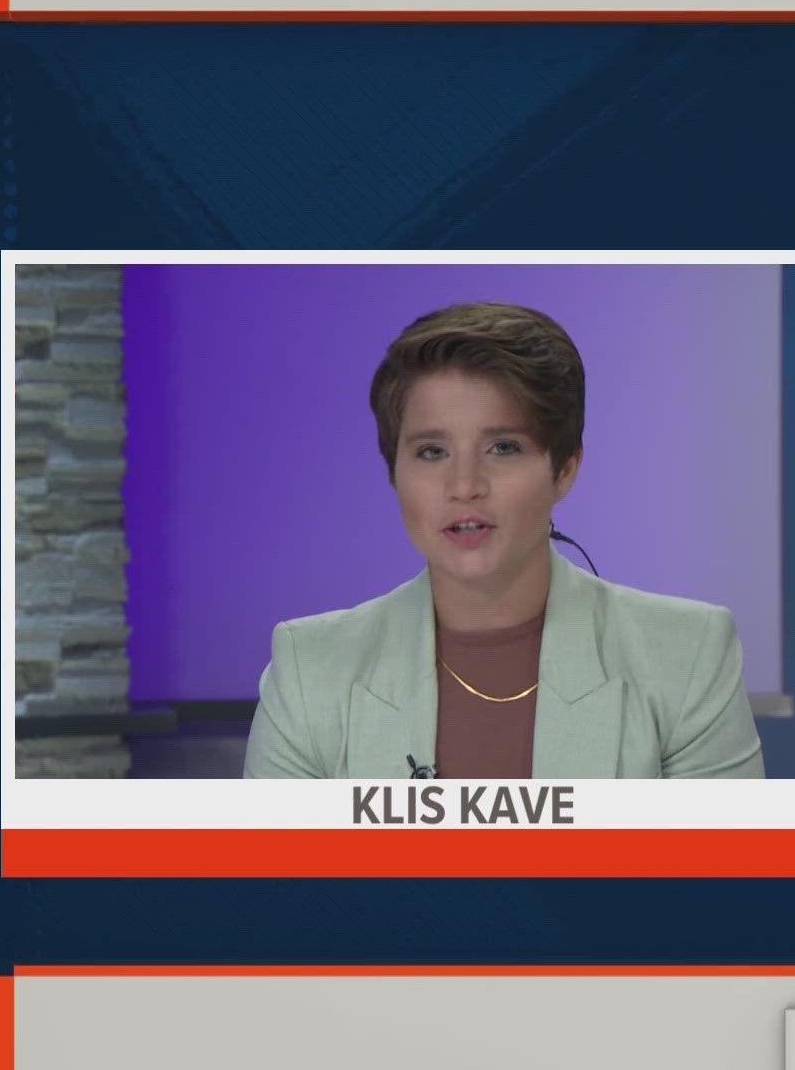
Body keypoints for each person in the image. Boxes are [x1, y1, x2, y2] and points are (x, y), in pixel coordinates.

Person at [244, 303, 766, 779]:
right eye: (431, 452)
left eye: (503, 447)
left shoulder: (686, 654)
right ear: (393, 472)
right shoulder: (310, 667)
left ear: (563, 469)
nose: (464, 485)